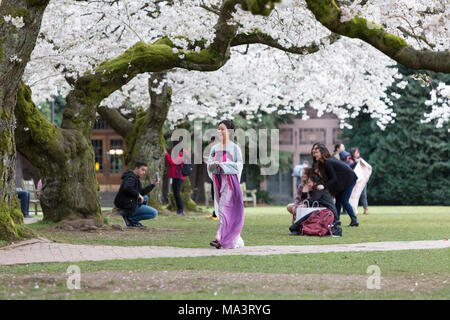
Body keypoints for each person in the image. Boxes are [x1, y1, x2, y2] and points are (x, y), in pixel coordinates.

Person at [207, 119, 244, 249]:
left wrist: (223, 165)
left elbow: (239, 165)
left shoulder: (235, 148)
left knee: (223, 208)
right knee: (221, 208)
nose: (220, 131)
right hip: (218, 182)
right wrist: (214, 165)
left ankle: (219, 238)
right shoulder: (215, 148)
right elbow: (209, 164)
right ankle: (232, 238)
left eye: (222, 129)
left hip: (230, 183)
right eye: (218, 129)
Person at [312, 143, 359, 227]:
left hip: (349, 179)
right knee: (338, 201)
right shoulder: (325, 162)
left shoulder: (328, 162)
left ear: (322, 152)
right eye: (314, 152)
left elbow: (333, 178)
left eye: (316, 152)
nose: (314, 154)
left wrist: (324, 186)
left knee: (344, 200)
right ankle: (336, 220)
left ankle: (354, 220)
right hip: (342, 181)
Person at [114, 161, 159, 228]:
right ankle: (132, 220)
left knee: (145, 198)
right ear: (136, 168)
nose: (144, 172)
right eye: (142, 169)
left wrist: (153, 185)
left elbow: (141, 192)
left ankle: (129, 217)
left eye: (145, 170)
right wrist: (138, 195)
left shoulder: (135, 178)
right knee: (154, 213)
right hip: (126, 205)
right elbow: (127, 188)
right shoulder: (131, 177)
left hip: (128, 202)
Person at [165, 140, 186, 216]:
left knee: (177, 194)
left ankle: (181, 210)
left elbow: (172, 163)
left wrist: (166, 154)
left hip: (178, 177)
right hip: (176, 176)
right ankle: (179, 210)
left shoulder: (180, 155)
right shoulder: (178, 155)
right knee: (176, 193)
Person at [350, 147, 369, 215]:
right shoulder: (350, 161)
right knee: (353, 196)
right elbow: (349, 167)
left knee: (363, 195)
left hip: (361, 181)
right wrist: (355, 162)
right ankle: (353, 209)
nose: (358, 154)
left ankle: (365, 208)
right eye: (356, 152)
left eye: (358, 152)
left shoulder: (361, 160)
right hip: (354, 181)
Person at [204, 136, 219, 221]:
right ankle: (215, 212)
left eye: (214, 142)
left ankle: (219, 213)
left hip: (220, 176)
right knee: (214, 195)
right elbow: (207, 161)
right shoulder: (212, 151)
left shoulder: (221, 150)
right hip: (213, 175)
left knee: (219, 195)